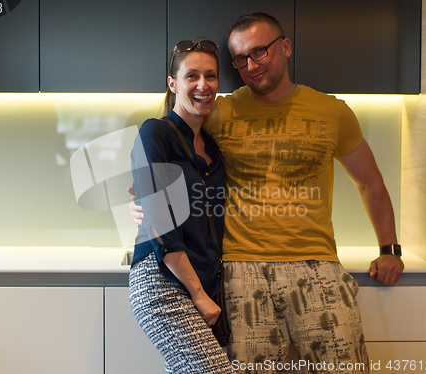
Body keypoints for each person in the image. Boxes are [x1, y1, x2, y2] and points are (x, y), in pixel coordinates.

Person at [130, 12, 404, 374]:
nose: (251, 64)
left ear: (285, 47)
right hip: (242, 270)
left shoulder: (332, 111)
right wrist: (143, 203)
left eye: (260, 51)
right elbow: (166, 149)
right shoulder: (218, 110)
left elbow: (370, 182)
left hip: (316, 264)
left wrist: (389, 249)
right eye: (240, 59)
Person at [128, 39, 234, 374]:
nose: (203, 85)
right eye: (192, 76)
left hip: (202, 280)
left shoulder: (213, 149)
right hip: (163, 281)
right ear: (173, 84)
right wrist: (199, 294)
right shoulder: (155, 132)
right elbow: (162, 225)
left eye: (211, 76)